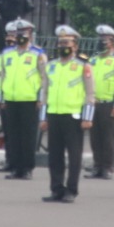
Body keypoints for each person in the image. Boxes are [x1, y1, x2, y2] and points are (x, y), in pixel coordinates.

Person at [40, 26, 94, 203]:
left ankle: (71, 190)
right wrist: (43, 117)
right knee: (54, 155)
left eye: (67, 43)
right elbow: (44, 92)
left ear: (75, 46)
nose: (63, 45)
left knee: (74, 155)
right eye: (61, 42)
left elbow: (90, 93)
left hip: (73, 116)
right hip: (54, 114)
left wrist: (87, 117)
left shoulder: (83, 65)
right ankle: (56, 189)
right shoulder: (51, 65)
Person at [0, 20, 46, 181]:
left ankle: (27, 168)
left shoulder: (38, 54)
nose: (20, 37)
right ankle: (15, 167)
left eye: (24, 34)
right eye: (18, 34)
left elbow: (45, 79)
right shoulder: (6, 54)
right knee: (13, 136)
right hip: (10, 100)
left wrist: (40, 98)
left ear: (30, 34)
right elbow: (0, 77)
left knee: (28, 136)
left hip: (30, 100)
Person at [87, 25, 114, 180]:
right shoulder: (93, 60)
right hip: (93, 103)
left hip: (108, 103)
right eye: (100, 39)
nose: (102, 42)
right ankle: (97, 166)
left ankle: (108, 167)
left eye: (105, 40)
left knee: (108, 137)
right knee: (94, 136)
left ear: (112, 41)